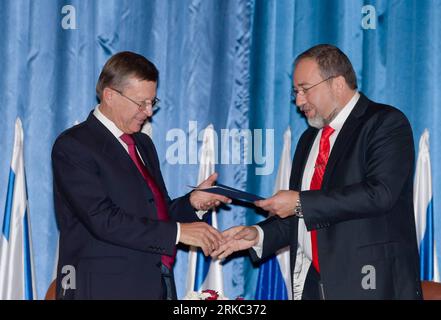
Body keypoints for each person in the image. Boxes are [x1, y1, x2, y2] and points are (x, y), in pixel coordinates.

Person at [212, 44, 422, 300]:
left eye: (305, 89)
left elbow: (380, 194)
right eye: (295, 92)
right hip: (315, 287)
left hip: (373, 286)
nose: (298, 101)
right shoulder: (308, 139)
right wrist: (258, 234)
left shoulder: (384, 122)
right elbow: (308, 213)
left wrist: (299, 202)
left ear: (337, 83)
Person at [52, 51, 231, 300]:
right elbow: (103, 220)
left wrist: (191, 203)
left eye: (152, 102)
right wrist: (179, 233)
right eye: (141, 103)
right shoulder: (74, 146)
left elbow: (156, 214)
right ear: (110, 96)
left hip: (155, 286)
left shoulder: (143, 145)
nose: (148, 112)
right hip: (102, 291)